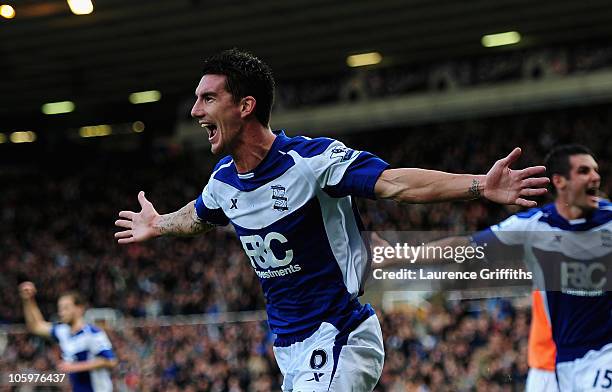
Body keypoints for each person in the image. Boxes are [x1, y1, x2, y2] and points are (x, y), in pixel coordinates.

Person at [114, 48, 549, 391]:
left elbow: (396, 182)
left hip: (342, 335)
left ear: (245, 105)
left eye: (207, 98)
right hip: (290, 350)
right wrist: (159, 225)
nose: (195, 111)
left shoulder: (311, 161)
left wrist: (479, 185)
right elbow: (199, 216)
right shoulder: (224, 181)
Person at [380, 144, 610, 391]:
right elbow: (464, 246)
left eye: (595, 170)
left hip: (604, 354)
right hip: (557, 362)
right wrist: (395, 256)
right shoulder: (533, 227)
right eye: (584, 171)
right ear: (560, 181)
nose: (595, 177)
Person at [18, 281, 117, 392]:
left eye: (66, 308)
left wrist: (74, 367)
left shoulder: (93, 334)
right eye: (60, 308)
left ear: (79, 308)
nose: (61, 312)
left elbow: (110, 361)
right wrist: (28, 300)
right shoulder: (63, 331)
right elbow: (36, 326)